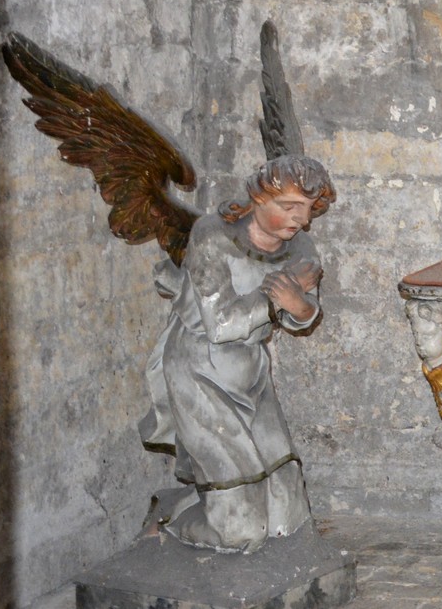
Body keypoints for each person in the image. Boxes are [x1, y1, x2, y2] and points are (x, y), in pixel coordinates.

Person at [140, 154, 337, 553]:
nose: (301, 220)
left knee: (288, 517)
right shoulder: (213, 236)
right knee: (239, 531)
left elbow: (303, 315)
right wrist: (275, 298)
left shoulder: (302, 246)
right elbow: (221, 324)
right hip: (200, 372)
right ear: (260, 198)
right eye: (289, 207)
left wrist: (298, 304)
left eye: (308, 209)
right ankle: (171, 513)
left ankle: (205, 499)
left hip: (250, 372)